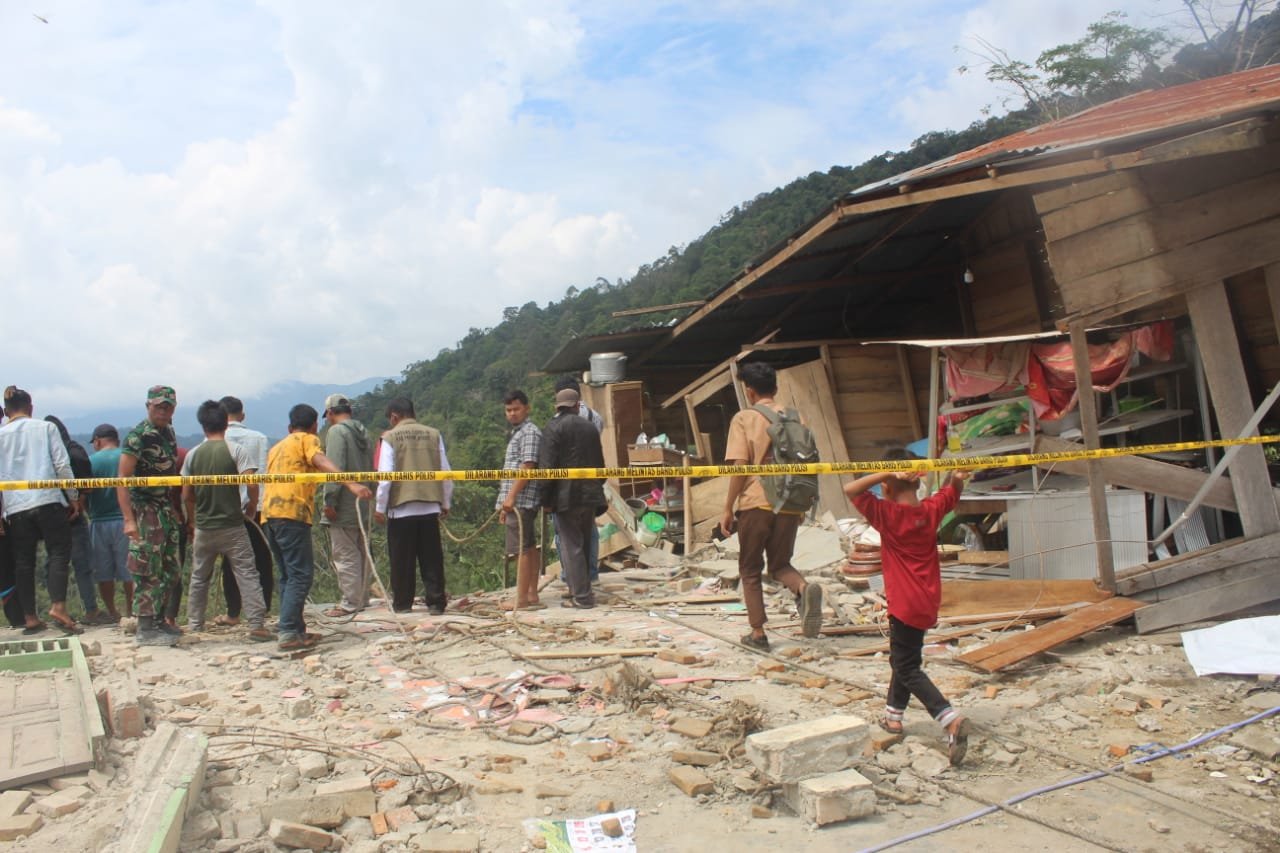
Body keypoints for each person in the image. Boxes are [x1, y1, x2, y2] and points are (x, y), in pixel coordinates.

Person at [843, 450, 972, 766]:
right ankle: (893, 717)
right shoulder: (930, 510)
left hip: (903, 602)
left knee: (906, 665)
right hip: (926, 600)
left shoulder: (887, 515)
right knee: (904, 658)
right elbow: (953, 488)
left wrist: (886, 472)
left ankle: (947, 717)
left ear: (887, 486)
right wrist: (956, 474)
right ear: (918, 483)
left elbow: (851, 490)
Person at [719, 362, 823, 648]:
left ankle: (758, 633)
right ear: (775, 388)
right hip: (791, 503)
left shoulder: (744, 418)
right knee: (780, 564)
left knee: (750, 569)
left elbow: (740, 466)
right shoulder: (796, 417)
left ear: (749, 392)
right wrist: (801, 505)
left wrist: (728, 507)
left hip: (757, 502)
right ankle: (803, 588)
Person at [262, 404, 370, 651]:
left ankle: (295, 629)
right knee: (301, 574)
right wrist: (351, 484)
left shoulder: (276, 447)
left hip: (269, 516)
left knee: (288, 575)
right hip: (292, 514)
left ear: (290, 427)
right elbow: (320, 460)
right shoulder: (307, 440)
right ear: (314, 427)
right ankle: (289, 631)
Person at [181, 401, 271, 640]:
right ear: (225, 422)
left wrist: (192, 521)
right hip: (232, 525)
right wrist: (251, 507)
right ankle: (256, 624)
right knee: (247, 573)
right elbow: (251, 483)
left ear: (203, 425)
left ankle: (194, 625)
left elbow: (187, 495)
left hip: (204, 527)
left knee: (200, 577)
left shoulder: (193, 454)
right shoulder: (235, 450)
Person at [0, 386, 80, 634]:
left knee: (23, 561)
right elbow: (61, 464)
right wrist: (73, 496)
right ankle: (58, 606)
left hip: (15, 507)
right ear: (31, 408)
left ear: (6, 411)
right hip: (47, 500)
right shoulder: (46, 428)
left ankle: (30, 617)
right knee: (58, 551)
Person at [118, 385, 184, 646]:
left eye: (168, 406)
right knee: (146, 569)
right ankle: (145, 628)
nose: (163, 411)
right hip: (144, 509)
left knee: (171, 569)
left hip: (164, 507)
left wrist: (177, 509)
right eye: (159, 406)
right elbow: (122, 478)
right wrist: (128, 520)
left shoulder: (167, 432)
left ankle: (158, 621)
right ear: (148, 406)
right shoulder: (137, 437)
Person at [374, 397, 453, 614]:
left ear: (394, 417)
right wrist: (445, 501)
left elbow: (386, 477)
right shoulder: (433, 434)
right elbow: (446, 471)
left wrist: (380, 507)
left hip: (400, 509)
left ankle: (402, 604)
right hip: (429, 507)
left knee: (401, 560)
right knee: (432, 559)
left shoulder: (389, 437)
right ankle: (436, 603)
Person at [539, 388, 605, 609]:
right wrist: (596, 486)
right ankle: (581, 591)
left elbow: (547, 469)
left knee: (570, 545)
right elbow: (601, 466)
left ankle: (582, 597)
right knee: (584, 544)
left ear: (557, 407)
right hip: (590, 494)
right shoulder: (589, 427)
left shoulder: (552, 428)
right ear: (577, 405)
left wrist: (545, 500)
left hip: (565, 497)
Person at [44, 415, 113, 625]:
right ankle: (90, 610)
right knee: (81, 565)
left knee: (54, 564)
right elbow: (86, 484)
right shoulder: (74, 451)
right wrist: (79, 502)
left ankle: (58, 610)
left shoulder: (46, 453)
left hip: (51, 515)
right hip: (72, 516)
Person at [218, 395, 274, 626]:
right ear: (242, 415)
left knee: (231, 562)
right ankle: (264, 609)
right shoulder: (260, 438)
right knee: (262, 559)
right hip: (258, 506)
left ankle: (233, 613)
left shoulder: (216, 440)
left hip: (228, 511)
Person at [320, 393, 375, 617]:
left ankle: (350, 602)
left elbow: (335, 466)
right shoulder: (364, 431)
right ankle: (362, 597)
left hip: (344, 501)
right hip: (364, 500)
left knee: (345, 553)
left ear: (331, 413)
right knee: (362, 551)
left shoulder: (336, 432)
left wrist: (329, 500)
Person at [552, 374, 603, 586]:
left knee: (564, 534)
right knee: (589, 530)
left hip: (565, 487)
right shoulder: (595, 417)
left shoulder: (557, 423)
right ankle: (591, 574)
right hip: (590, 483)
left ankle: (570, 577)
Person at [496, 390, 543, 610]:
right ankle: (531, 594)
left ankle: (521, 598)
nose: (512, 413)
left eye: (516, 409)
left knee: (521, 550)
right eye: (508, 410)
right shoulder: (518, 433)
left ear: (527, 408)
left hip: (522, 500)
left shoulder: (529, 433)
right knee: (529, 547)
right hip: (516, 501)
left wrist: (511, 497)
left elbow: (528, 466)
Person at [87, 424, 133, 621]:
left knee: (103, 571)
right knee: (130, 570)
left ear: (97, 440)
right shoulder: (127, 457)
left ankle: (113, 612)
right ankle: (132, 612)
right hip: (127, 520)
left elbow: (84, 494)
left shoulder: (91, 462)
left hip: (99, 520)